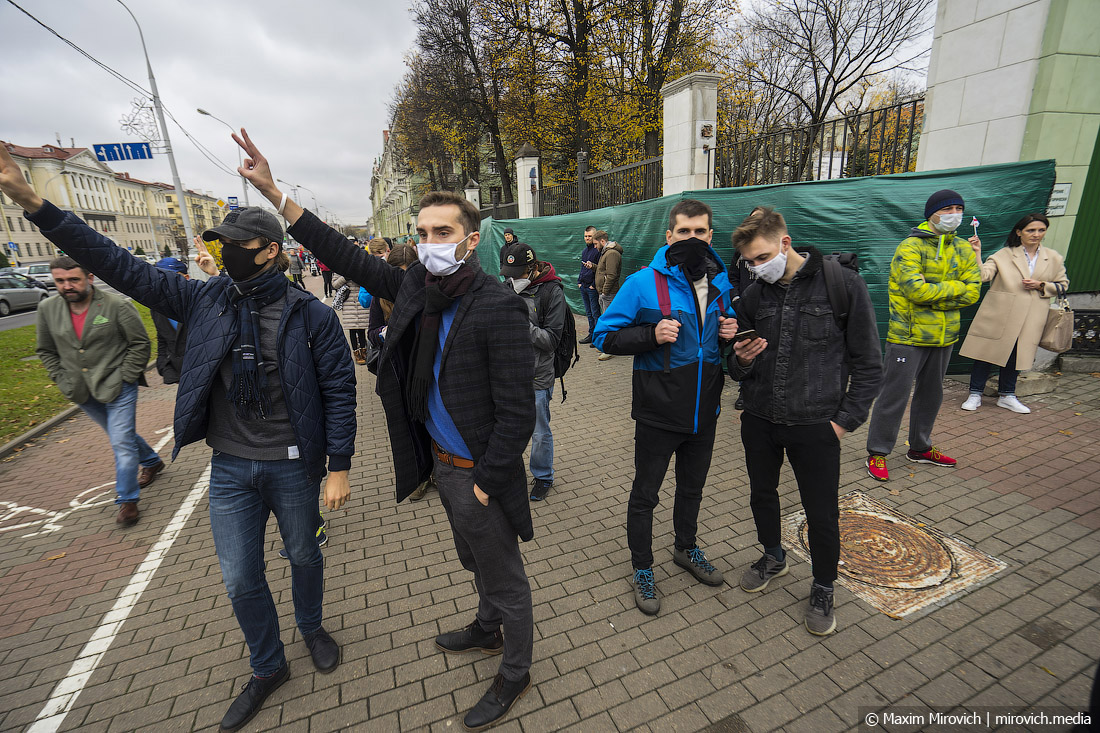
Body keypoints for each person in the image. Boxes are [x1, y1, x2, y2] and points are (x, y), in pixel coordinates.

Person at [0, 142, 357, 733]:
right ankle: (268, 667)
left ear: (270, 252)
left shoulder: (310, 314)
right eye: (221, 246)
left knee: (302, 555)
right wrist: (33, 202)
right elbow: (118, 264)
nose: (225, 255)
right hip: (231, 469)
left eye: (237, 247)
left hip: (294, 464)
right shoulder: (204, 300)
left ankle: (312, 626)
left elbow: (341, 390)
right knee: (241, 576)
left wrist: (338, 465)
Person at [232, 128, 536, 731]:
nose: (429, 244)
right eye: (421, 234)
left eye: (442, 234)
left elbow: (517, 412)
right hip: (443, 468)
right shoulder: (418, 290)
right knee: (473, 560)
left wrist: (488, 480)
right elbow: (345, 256)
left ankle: (515, 669)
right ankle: (485, 629)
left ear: (470, 241)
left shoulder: (497, 304)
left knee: (506, 576)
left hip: (478, 473)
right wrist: (273, 193)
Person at [728, 208, 883, 636]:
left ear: (785, 242)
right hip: (759, 417)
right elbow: (737, 363)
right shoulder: (756, 296)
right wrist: (738, 361)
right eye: (749, 263)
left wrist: (843, 422)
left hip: (816, 423)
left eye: (761, 257)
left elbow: (869, 362)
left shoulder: (842, 285)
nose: (757, 268)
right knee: (763, 494)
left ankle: (823, 586)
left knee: (821, 512)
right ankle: (773, 556)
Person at [593, 199, 737, 616]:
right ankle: (642, 567)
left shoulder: (721, 283)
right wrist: (651, 335)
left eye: (701, 232)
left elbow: (721, 348)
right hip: (658, 413)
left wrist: (730, 333)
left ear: (711, 236)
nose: (693, 240)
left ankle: (685, 548)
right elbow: (603, 336)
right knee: (645, 495)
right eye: (684, 232)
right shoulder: (642, 283)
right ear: (669, 236)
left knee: (692, 489)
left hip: (704, 413)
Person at [35, 255, 164, 526]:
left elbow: (139, 343)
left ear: (89, 278)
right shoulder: (48, 309)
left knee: (120, 441)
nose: (67, 286)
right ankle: (152, 461)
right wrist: (61, 380)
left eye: (73, 279)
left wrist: (126, 377)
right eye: (60, 281)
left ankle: (127, 501)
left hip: (118, 386)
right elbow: (46, 350)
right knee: (121, 436)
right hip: (80, 390)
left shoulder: (116, 305)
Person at [865, 189, 980, 482]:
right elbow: (915, 290)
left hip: (944, 337)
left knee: (931, 395)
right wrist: (954, 287)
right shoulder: (910, 247)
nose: (954, 214)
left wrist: (936, 289)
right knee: (894, 395)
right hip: (908, 336)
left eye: (958, 208)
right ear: (931, 213)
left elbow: (973, 291)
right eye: (947, 209)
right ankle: (877, 452)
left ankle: (920, 447)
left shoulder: (964, 249)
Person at [959, 213, 1068, 414]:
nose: (1036, 234)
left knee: (1016, 356)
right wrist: (976, 252)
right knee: (984, 354)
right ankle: (975, 393)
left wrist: (1041, 285)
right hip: (1000, 314)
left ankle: (1007, 395)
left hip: (1031, 317)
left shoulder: (1053, 258)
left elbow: (1063, 285)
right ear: (1019, 232)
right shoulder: (1003, 255)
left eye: (1041, 230)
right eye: (1031, 230)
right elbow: (983, 275)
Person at [367, 245, 435, 501]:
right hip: (398, 369)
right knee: (407, 426)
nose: (403, 282)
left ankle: (437, 469)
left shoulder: (426, 291)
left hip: (423, 366)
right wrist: (386, 333)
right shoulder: (380, 296)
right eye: (399, 275)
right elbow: (371, 332)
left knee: (431, 419)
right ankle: (419, 475)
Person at [500, 242, 567, 502]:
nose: (512, 279)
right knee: (506, 428)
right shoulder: (505, 287)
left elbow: (551, 340)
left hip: (538, 376)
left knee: (539, 431)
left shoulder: (552, 292)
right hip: (507, 374)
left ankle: (542, 476)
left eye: (517, 274)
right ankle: (507, 475)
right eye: (508, 273)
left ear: (532, 268)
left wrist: (519, 325)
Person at [150, 257, 190, 385]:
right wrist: (164, 366)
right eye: (159, 278)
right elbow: (162, 339)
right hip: (180, 375)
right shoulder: (157, 309)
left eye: (170, 278)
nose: (164, 283)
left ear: (186, 278)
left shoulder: (200, 302)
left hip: (208, 374)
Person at [593, 231, 623, 361]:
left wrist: (604, 292)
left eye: (595, 244)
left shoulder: (611, 253)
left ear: (602, 241)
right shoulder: (606, 252)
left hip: (609, 294)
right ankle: (607, 345)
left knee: (609, 323)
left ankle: (609, 349)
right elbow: (603, 271)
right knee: (607, 321)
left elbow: (611, 275)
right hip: (605, 293)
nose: (595, 247)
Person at [578, 225, 601, 343]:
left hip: (592, 287)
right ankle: (591, 335)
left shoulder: (597, 251)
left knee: (595, 312)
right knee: (588, 313)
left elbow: (600, 270)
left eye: (589, 236)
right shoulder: (584, 251)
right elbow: (582, 267)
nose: (587, 238)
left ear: (594, 236)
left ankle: (597, 337)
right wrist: (579, 282)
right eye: (585, 236)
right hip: (584, 286)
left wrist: (593, 284)